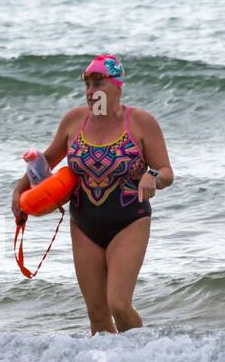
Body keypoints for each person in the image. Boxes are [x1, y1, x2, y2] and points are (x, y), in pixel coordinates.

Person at [11, 55, 173, 334]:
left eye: (97, 83)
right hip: (84, 224)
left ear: (117, 86)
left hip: (129, 220)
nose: (90, 92)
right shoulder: (74, 121)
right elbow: (47, 160)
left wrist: (153, 176)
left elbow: (166, 171)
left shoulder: (142, 123)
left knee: (119, 304)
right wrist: (20, 189)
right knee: (97, 314)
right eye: (87, 85)